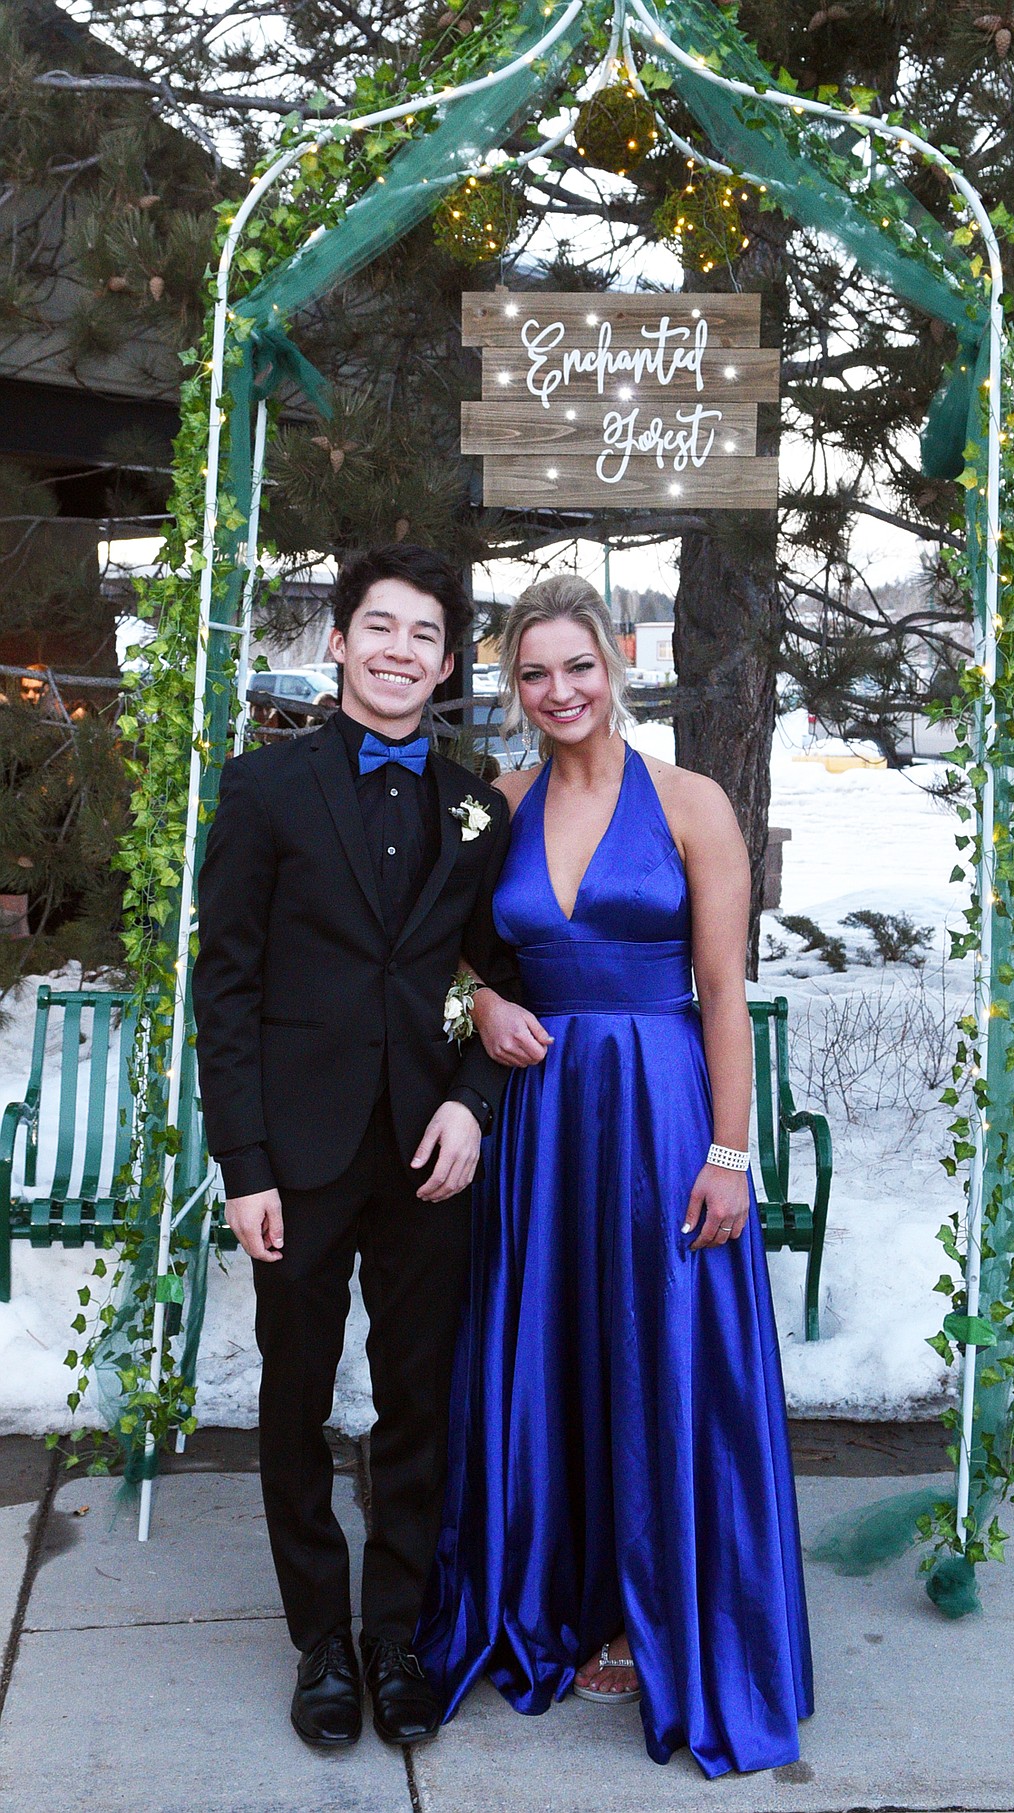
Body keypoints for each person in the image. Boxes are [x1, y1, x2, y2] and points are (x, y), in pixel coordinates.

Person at [416, 575, 813, 1778]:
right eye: (532, 674)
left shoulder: (693, 802)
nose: (557, 692)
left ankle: (666, 1620)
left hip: (661, 1111)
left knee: (664, 1355)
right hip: (540, 1122)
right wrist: (480, 999)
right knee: (553, 1355)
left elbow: (725, 995)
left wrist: (731, 1153)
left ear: (614, 664)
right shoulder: (500, 807)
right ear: (513, 686)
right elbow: (436, 957)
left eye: (575, 667)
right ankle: (558, 1601)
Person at [192, 545, 519, 1751]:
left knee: (419, 1397)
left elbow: (506, 974)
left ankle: (399, 1630)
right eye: (378, 627)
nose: (398, 651)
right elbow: (223, 987)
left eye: (424, 635)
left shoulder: (477, 804)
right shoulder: (265, 789)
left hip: (426, 1149)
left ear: (446, 661)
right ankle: (321, 1638)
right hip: (302, 1151)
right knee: (293, 1395)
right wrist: (246, 1162)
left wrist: (474, 1102)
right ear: (339, 641)